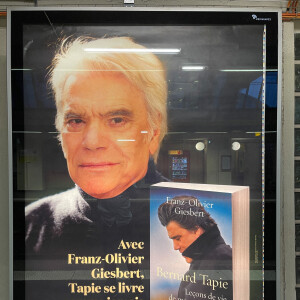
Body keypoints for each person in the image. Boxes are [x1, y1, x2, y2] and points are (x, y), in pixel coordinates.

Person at [24, 36, 168, 300]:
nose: (92, 142)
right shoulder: (30, 224)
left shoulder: (197, 218)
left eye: (116, 119)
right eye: (76, 120)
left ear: (154, 131)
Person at [158, 195, 233, 300]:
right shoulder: (197, 268)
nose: (175, 247)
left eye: (178, 238)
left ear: (197, 230)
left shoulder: (224, 260)